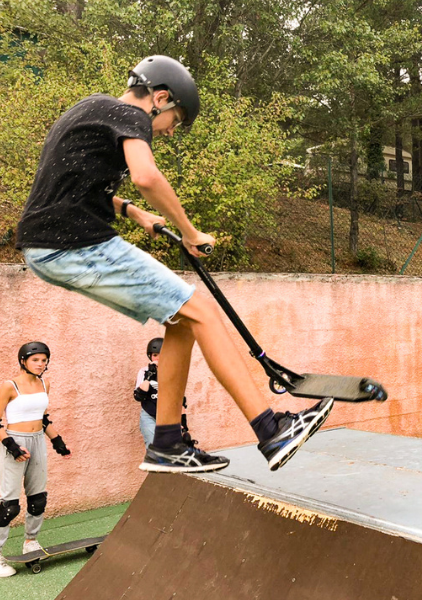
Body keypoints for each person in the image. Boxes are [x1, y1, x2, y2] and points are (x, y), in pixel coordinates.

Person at [16, 55, 333, 474]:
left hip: (47, 245)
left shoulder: (89, 110)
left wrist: (133, 212)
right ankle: (271, 428)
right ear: (161, 98)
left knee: (180, 320)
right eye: (176, 120)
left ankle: (167, 442)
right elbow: (147, 176)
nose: (169, 131)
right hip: (76, 243)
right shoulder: (131, 115)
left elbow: (71, 183)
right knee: (201, 311)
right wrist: (189, 231)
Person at [0, 342, 72, 578]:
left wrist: (57, 441)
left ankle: (30, 542)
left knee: (38, 498)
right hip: (14, 442)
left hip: (37, 441)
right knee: (8, 506)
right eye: (35, 360)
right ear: (23, 361)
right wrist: (11, 445)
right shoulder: (9, 386)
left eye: (44, 360)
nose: (41, 364)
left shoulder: (44, 383)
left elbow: (42, 418)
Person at [134, 338, 197, 448]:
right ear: (150, 356)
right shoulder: (144, 371)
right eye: (155, 354)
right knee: (154, 449)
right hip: (150, 416)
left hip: (170, 417)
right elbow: (139, 396)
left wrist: (183, 424)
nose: (158, 358)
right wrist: (150, 375)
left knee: (173, 450)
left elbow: (179, 400)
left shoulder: (174, 372)